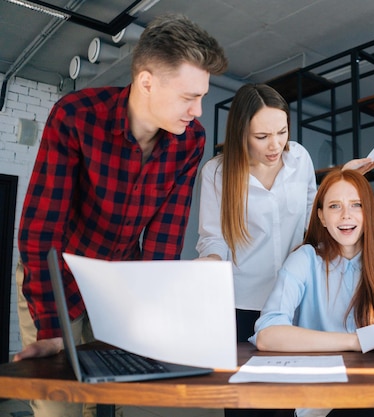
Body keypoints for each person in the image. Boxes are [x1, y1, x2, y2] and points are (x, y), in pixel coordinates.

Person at [13, 13, 227, 417]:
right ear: (146, 82)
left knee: (109, 403)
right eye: (188, 97)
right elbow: (42, 232)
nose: (199, 111)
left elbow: (164, 240)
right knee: (59, 408)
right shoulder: (76, 116)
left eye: (202, 96)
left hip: (118, 285)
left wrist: (145, 322)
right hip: (57, 276)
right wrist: (53, 329)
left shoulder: (190, 142)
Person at [250, 168, 374, 417]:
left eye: (356, 205)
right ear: (322, 217)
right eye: (335, 206)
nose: (346, 215)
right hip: (321, 406)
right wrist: (359, 341)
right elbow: (268, 334)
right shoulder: (304, 259)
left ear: (368, 212)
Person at [196, 83, 374, 343]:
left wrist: (342, 180)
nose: (275, 145)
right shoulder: (216, 173)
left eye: (281, 132)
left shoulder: (299, 158)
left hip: (296, 295)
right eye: (261, 137)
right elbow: (213, 236)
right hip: (243, 301)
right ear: (241, 133)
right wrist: (212, 260)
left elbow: (313, 215)